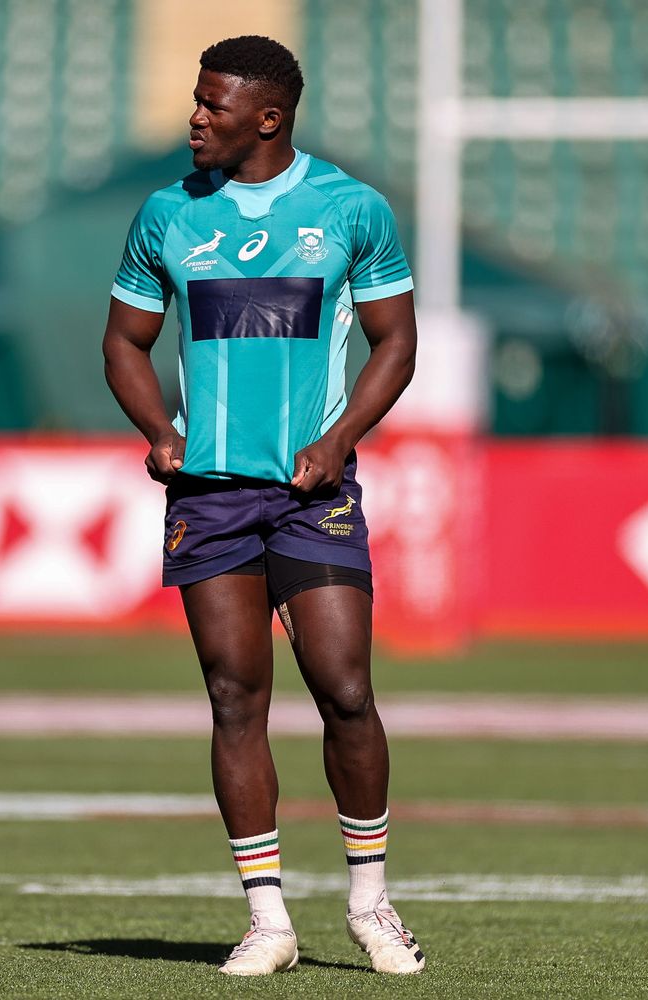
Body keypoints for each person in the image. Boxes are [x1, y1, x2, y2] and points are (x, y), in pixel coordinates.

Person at [101, 35, 423, 976]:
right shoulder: (164, 215)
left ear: (268, 117)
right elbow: (125, 341)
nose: (195, 117)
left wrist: (338, 442)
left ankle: (371, 902)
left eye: (212, 103)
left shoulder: (352, 209)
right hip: (208, 495)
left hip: (307, 493)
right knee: (235, 696)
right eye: (196, 100)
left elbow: (395, 342)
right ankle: (269, 921)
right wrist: (157, 429)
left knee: (346, 688)